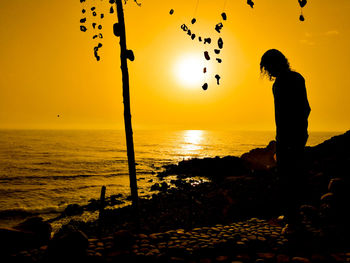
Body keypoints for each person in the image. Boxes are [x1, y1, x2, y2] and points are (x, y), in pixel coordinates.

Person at [260, 49, 311, 234]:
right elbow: (306, 109)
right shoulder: (296, 78)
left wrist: (288, 137)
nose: (268, 72)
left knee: (289, 178)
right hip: (293, 135)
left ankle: (293, 222)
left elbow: (292, 112)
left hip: (289, 136)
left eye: (268, 67)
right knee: (291, 177)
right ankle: (291, 217)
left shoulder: (283, 83)